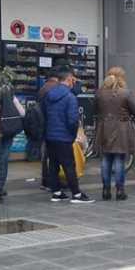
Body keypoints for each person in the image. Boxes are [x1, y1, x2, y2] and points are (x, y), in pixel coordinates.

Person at [42, 67, 94, 203]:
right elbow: (72, 120)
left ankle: (56, 192)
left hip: (50, 135)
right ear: (69, 79)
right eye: (73, 80)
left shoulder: (49, 94)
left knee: (53, 165)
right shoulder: (70, 98)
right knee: (69, 166)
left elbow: (45, 114)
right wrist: (72, 135)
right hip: (64, 137)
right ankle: (76, 194)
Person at [95, 67, 135, 201]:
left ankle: (106, 189)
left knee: (105, 159)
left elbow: (95, 110)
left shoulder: (100, 93)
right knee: (119, 159)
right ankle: (120, 190)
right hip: (121, 129)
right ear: (121, 78)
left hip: (104, 128)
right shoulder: (125, 93)